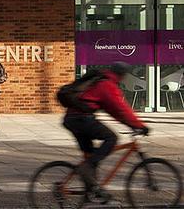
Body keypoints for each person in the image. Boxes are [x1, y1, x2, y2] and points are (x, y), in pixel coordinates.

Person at [60, 63, 148, 204]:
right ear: (122, 75)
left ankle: (93, 189)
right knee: (111, 138)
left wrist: (130, 124)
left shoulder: (102, 80)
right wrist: (138, 125)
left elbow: (113, 111)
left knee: (92, 155)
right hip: (81, 119)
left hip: (74, 119)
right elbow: (120, 109)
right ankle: (86, 169)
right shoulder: (107, 85)